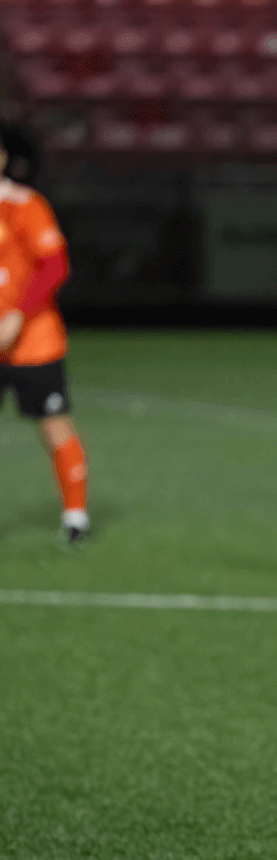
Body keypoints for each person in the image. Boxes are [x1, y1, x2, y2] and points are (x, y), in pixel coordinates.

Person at [0, 125, 88, 545]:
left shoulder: (24, 204)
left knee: (53, 425)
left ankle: (75, 516)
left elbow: (53, 266)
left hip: (32, 340)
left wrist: (18, 315)